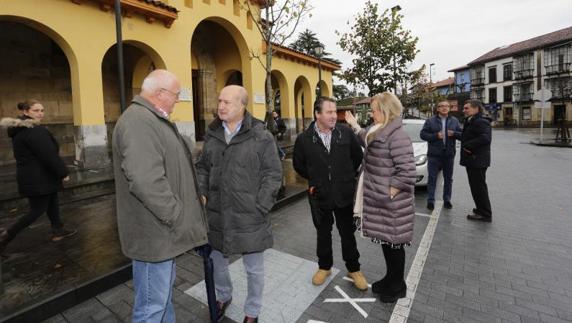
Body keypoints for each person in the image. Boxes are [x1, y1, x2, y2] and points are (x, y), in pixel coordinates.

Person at [112, 69, 209, 322]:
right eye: (176, 95)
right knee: (151, 308)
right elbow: (146, 181)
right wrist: (175, 215)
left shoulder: (152, 119)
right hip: (154, 234)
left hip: (161, 235)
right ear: (160, 93)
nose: (178, 100)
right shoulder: (139, 121)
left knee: (162, 300)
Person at [196, 85, 282, 323]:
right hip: (216, 214)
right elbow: (203, 167)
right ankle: (223, 296)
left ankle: (252, 311)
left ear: (242, 106)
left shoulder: (261, 136)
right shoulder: (212, 135)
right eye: (220, 101)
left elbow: (273, 174)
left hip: (250, 216)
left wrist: (261, 206)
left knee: (254, 269)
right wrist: (202, 193)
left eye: (227, 102)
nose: (220, 106)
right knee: (217, 262)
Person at [345, 92, 416, 303]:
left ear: (386, 111)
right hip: (381, 199)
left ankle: (397, 286)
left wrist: (389, 193)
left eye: (374, 109)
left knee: (394, 244)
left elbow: (407, 172)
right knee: (387, 241)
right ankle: (390, 278)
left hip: (390, 202)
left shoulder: (397, 135)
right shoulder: (380, 129)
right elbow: (366, 138)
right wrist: (355, 126)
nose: (371, 113)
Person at [293, 96, 368, 291]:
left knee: (347, 234)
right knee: (323, 233)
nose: (334, 116)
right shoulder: (304, 139)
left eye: (335, 111)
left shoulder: (345, 133)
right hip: (320, 195)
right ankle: (324, 266)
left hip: (344, 193)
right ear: (317, 114)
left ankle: (354, 268)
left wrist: (344, 177)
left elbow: (357, 157)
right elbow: (299, 165)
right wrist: (316, 180)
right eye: (329, 112)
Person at [0, 100, 76, 254]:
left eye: (42, 110)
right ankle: (6, 237)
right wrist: (63, 172)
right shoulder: (34, 130)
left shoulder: (20, 129)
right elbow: (48, 155)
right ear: (26, 112)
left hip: (36, 175)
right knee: (37, 210)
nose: (40, 114)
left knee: (52, 200)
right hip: (39, 177)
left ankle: (58, 230)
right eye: (36, 111)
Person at [420, 101, 462, 210]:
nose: (444, 108)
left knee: (448, 179)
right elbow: (423, 135)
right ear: (437, 109)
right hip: (434, 155)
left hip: (449, 155)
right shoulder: (430, 121)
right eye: (441, 106)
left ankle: (447, 199)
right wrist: (435, 136)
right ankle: (430, 201)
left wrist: (454, 134)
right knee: (432, 178)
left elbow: (462, 135)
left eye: (446, 106)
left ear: (449, 108)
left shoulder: (454, 121)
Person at [460, 99, 493, 222]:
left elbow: (485, 138)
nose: (464, 110)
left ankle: (485, 214)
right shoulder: (473, 121)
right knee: (476, 187)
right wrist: (455, 134)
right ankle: (480, 209)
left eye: (466, 108)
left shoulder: (480, 122)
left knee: (479, 188)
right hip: (474, 160)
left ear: (476, 109)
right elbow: (468, 136)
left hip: (477, 160)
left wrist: (468, 146)